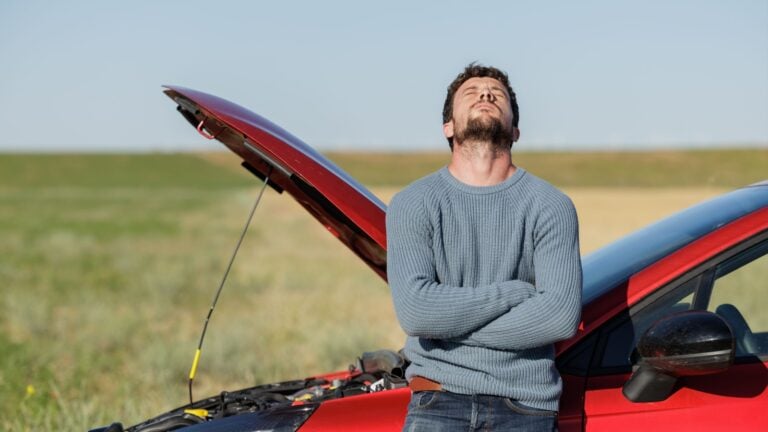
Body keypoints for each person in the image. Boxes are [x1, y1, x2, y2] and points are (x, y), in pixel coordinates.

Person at [386, 63, 582, 431]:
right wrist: (514, 293)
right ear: (448, 127)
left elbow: (558, 316)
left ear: (515, 130)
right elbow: (417, 313)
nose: (486, 94)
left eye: (497, 94)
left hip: (526, 407)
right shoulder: (413, 203)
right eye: (471, 92)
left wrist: (446, 329)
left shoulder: (550, 205)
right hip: (438, 401)